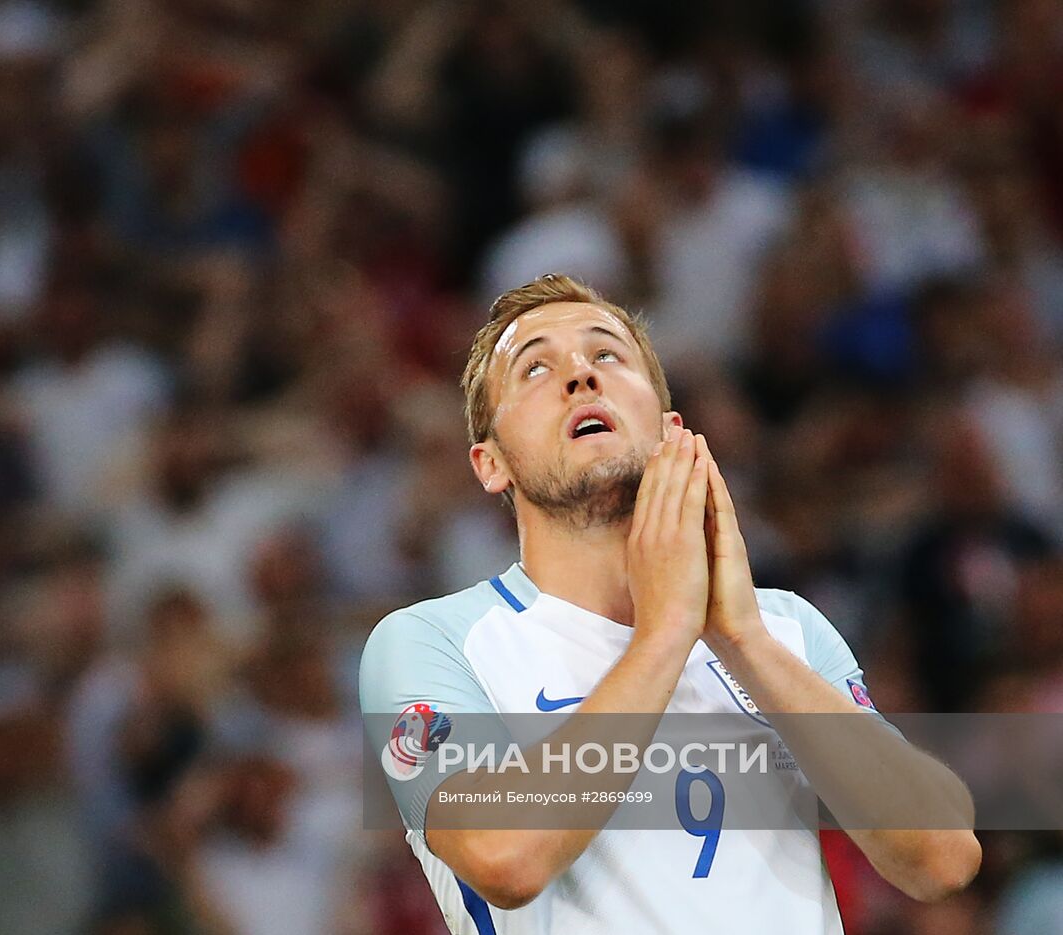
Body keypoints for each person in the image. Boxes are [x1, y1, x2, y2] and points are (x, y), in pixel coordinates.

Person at [357, 274, 981, 933]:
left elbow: (941, 858)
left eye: (607, 355)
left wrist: (743, 640)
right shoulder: (431, 640)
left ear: (669, 430)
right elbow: (503, 854)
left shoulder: (784, 627)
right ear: (490, 464)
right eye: (535, 366)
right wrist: (665, 633)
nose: (580, 377)